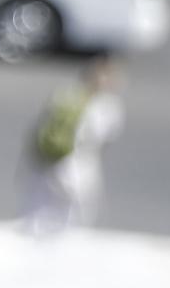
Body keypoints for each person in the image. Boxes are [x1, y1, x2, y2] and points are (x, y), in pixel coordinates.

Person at [22, 55, 123, 234]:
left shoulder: (64, 93)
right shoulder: (107, 106)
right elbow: (104, 139)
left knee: (39, 210)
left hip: (47, 162)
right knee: (76, 215)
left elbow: (41, 126)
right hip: (78, 165)